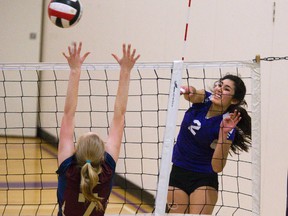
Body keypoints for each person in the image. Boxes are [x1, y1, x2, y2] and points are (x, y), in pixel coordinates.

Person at [56, 42, 140, 216]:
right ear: (102, 154)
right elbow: (120, 115)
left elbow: (68, 114)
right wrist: (126, 71)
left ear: (76, 150)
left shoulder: (68, 169)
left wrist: (75, 70)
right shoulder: (107, 170)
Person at [167, 74, 251, 214]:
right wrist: (187, 90)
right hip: (178, 171)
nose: (219, 89)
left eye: (226, 89)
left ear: (234, 100)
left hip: (204, 179)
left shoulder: (227, 124)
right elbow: (193, 94)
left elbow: (217, 167)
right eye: (219, 84)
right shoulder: (204, 98)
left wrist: (223, 134)